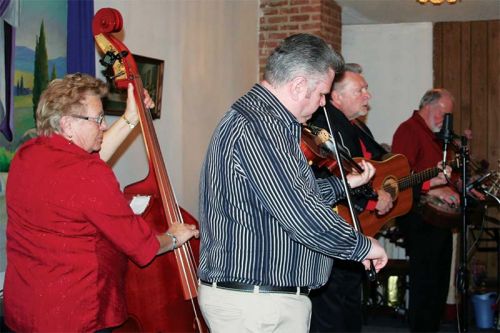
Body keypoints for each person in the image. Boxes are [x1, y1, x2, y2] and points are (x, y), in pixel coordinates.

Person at [197, 33, 388, 333]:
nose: (323, 103)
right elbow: (301, 213)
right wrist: (362, 247)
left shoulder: (269, 124)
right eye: (322, 94)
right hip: (257, 303)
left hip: (262, 301)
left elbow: (294, 194)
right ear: (299, 85)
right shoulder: (261, 127)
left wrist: (343, 185)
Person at [4, 73, 199, 332]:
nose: (104, 125)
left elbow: (81, 168)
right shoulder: (88, 175)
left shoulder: (26, 156)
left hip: (22, 312)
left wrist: (131, 117)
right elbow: (142, 247)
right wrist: (173, 236)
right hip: (74, 316)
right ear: (67, 125)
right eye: (97, 119)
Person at [308, 63, 393, 332]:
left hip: (349, 228)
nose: (368, 95)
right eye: (361, 90)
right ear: (337, 97)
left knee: (346, 307)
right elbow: (329, 179)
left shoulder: (348, 126)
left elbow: (368, 167)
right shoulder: (326, 124)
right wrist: (370, 199)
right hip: (335, 227)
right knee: (334, 312)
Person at [392, 88, 460, 332]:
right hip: (419, 218)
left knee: (439, 281)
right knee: (426, 281)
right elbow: (399, 177)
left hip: (437, 220)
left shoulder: (436, 137)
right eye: (445, 113)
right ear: (430, 106)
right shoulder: (408, 130)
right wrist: (431, 189)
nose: (447, 120)